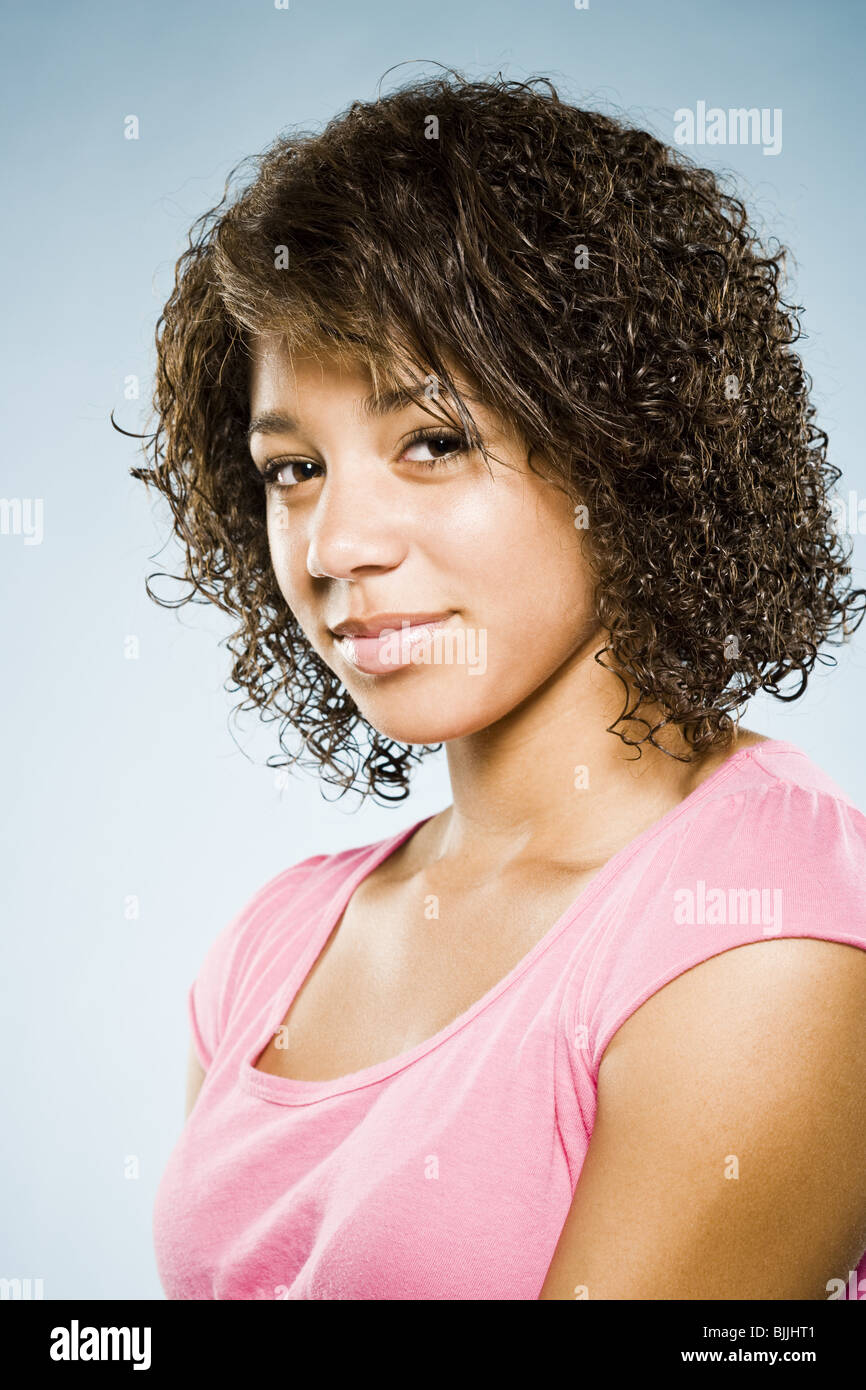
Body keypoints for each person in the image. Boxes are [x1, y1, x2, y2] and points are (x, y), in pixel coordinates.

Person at [132, 72, 866, 1299]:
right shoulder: (275, 943)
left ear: (620, 437)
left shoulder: (769, 935)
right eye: (293, 467)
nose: (333, 545)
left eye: (431, 441)